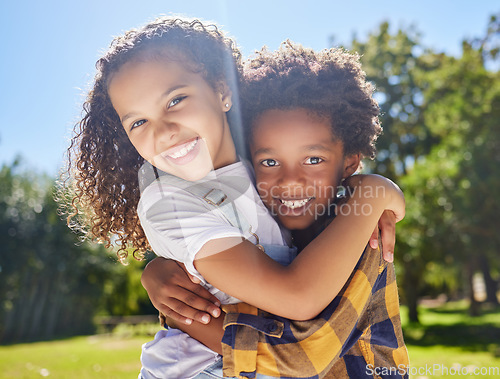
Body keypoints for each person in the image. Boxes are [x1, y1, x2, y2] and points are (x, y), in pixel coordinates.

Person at [61, 16, 404, 379]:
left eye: (175, 100)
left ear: (222, 91)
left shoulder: (259, 167)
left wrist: (367, 194)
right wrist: (374, 192)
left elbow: (375, 204)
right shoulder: (169, 201)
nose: (163, 132)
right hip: (203, 370)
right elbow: (298, 297)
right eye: (138, 122)